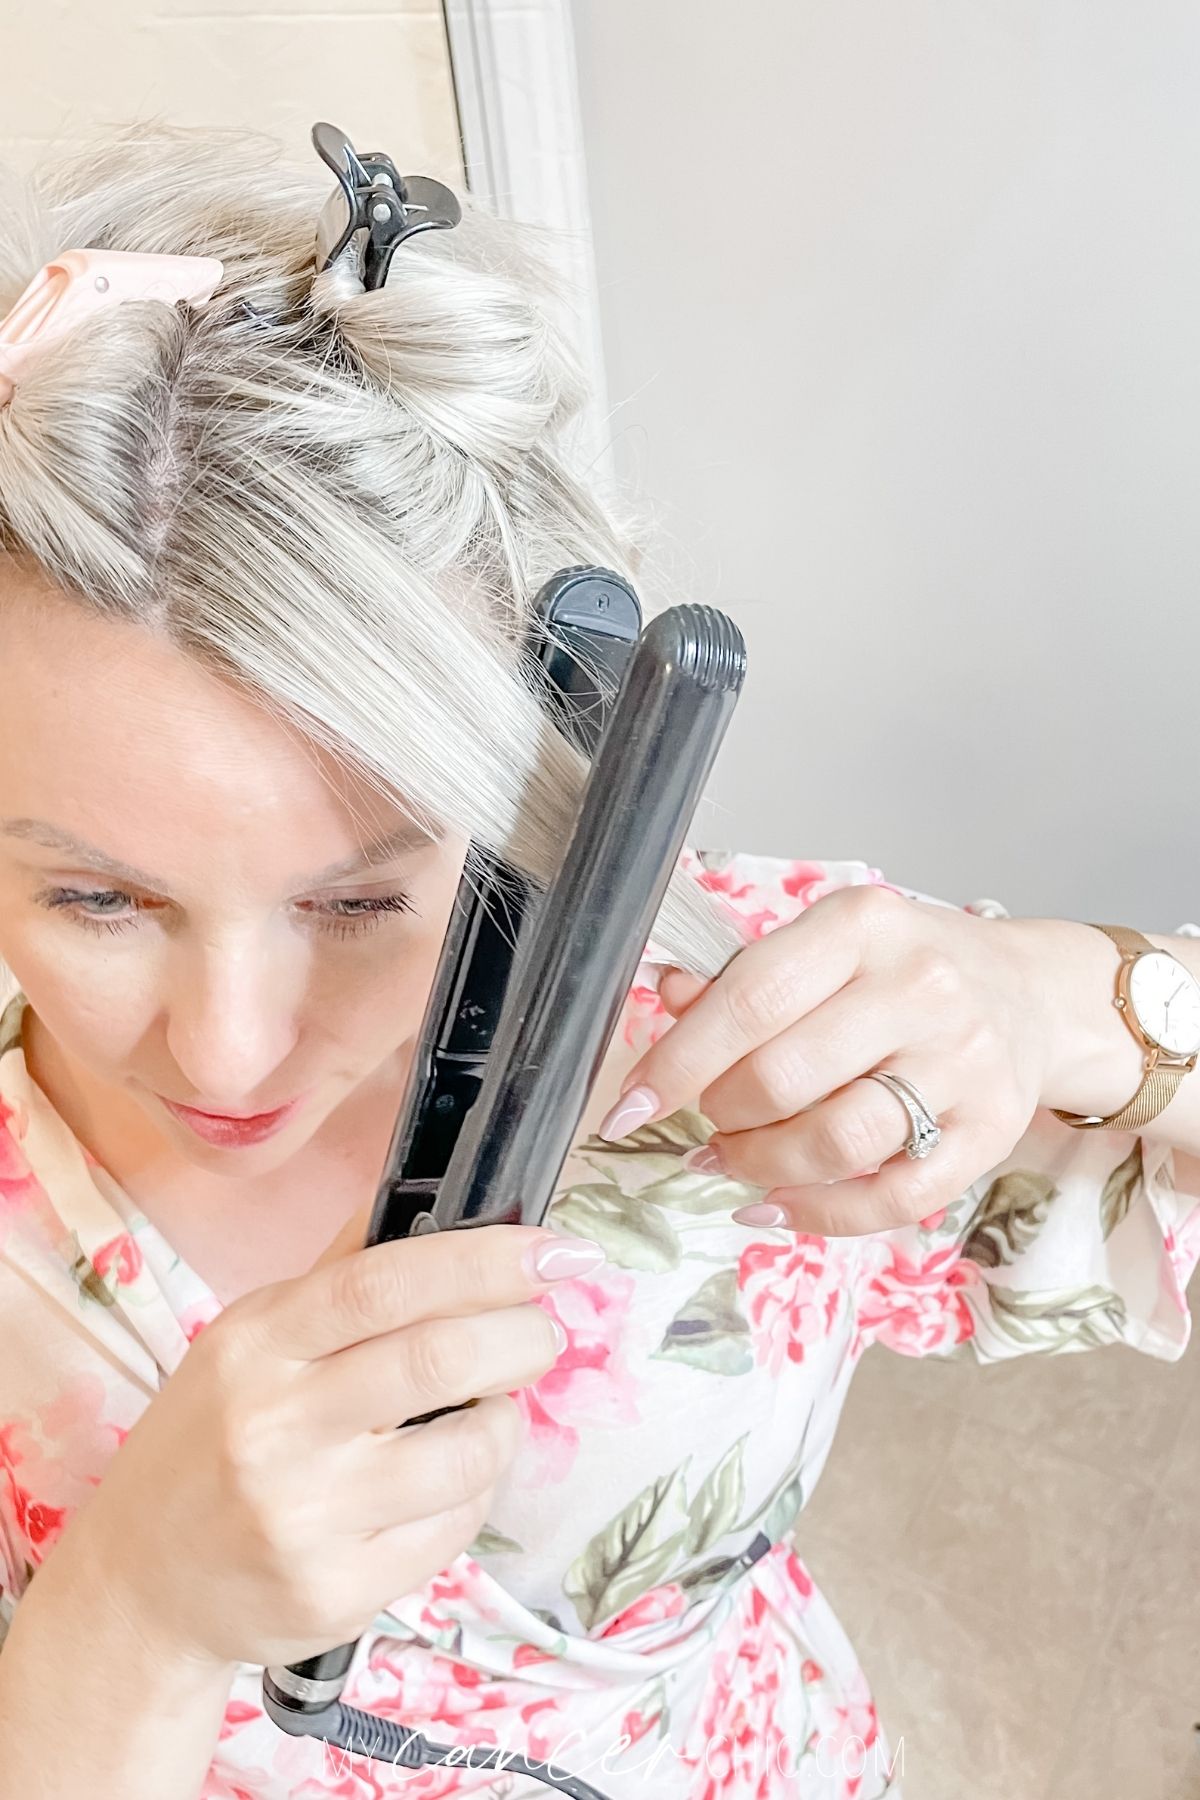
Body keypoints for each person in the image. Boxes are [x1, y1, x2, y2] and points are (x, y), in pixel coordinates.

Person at [0, 124, 1197, 1800]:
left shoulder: (743, 1020)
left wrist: (1066, 1001)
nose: (229, 1052)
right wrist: (127, 1621)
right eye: (97, 903)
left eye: (358, 902)